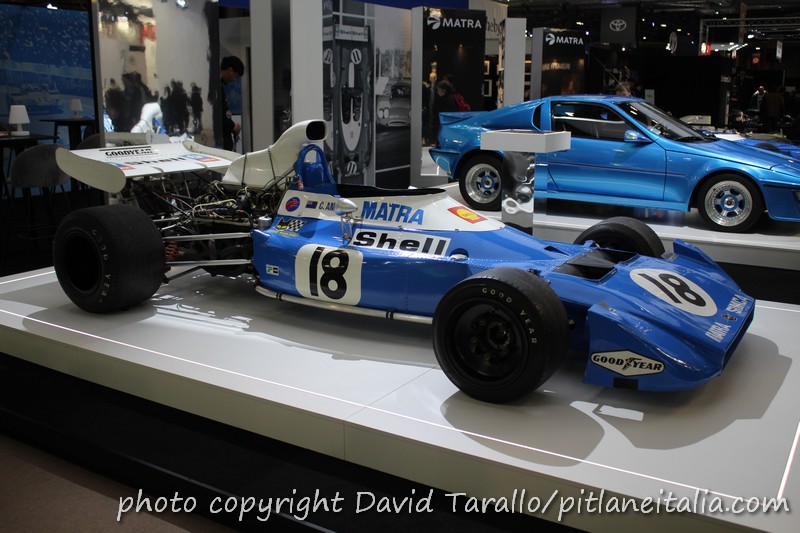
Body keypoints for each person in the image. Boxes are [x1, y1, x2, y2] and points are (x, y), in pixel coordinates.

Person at [220, 55, 244, 150]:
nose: (234, 80)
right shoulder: (215, 88)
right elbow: (219, 115)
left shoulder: (220, 86)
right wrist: (233, 126)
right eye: (235, 76)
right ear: (230, 70)